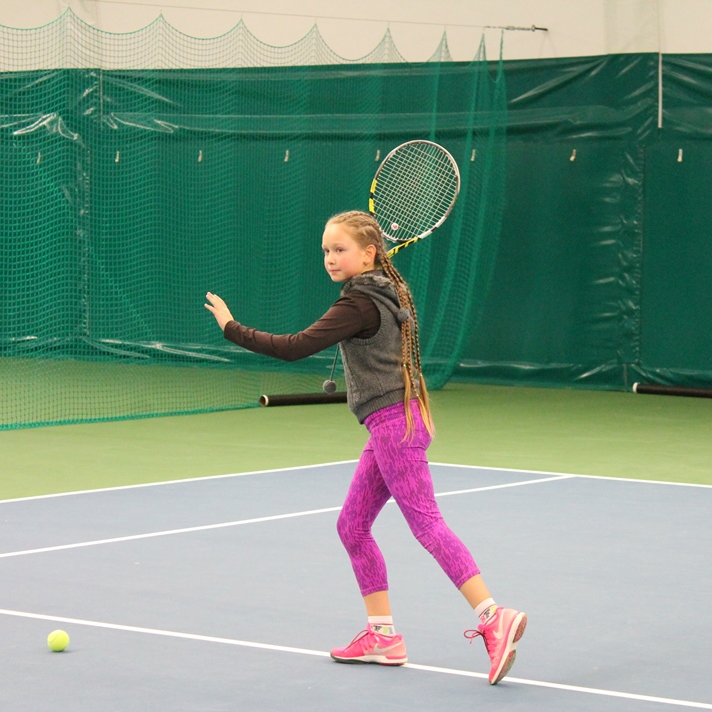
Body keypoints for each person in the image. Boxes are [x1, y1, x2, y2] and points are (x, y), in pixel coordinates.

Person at [204, 210, 526, 685]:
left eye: (340, 249)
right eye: (326, 250)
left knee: (427, 524)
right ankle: (383, 636)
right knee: (352, 527)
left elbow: (293, 346)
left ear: (370, 253)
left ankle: (493, 617)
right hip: (394, 423)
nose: (330, 258)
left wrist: (231, 327)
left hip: (395, 426)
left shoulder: (358, 304)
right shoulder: (387, 290)